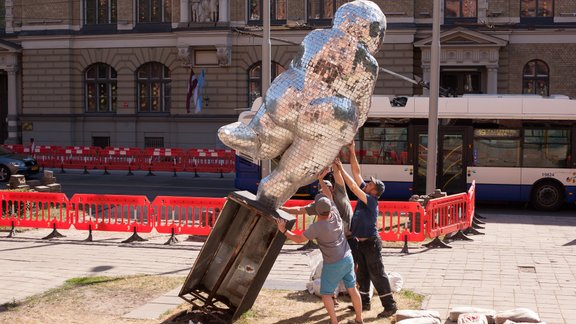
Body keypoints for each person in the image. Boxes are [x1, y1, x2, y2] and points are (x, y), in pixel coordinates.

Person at [277, 175, 363, 324]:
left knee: (326, 294)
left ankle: (334, 322)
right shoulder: (335, 213)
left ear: (316, 210)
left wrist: (283, 230)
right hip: (347, 257)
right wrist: (321, 180)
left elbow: (298, 239)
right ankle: (359, 319)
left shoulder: (317, 227)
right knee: (352, 289)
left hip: (333, 263)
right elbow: (329, 195)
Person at [333, 141, 397, 318]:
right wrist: (352, 150)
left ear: (375, 192)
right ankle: (364, 304)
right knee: (362, 274)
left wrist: (340, 167)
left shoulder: (371, 200)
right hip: (360, 242)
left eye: (371, 184)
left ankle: (390, 306)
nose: (367, 183)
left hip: (371, 243)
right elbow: (357, 172)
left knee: (377, 274)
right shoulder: (366, 194)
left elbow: (352, 185)